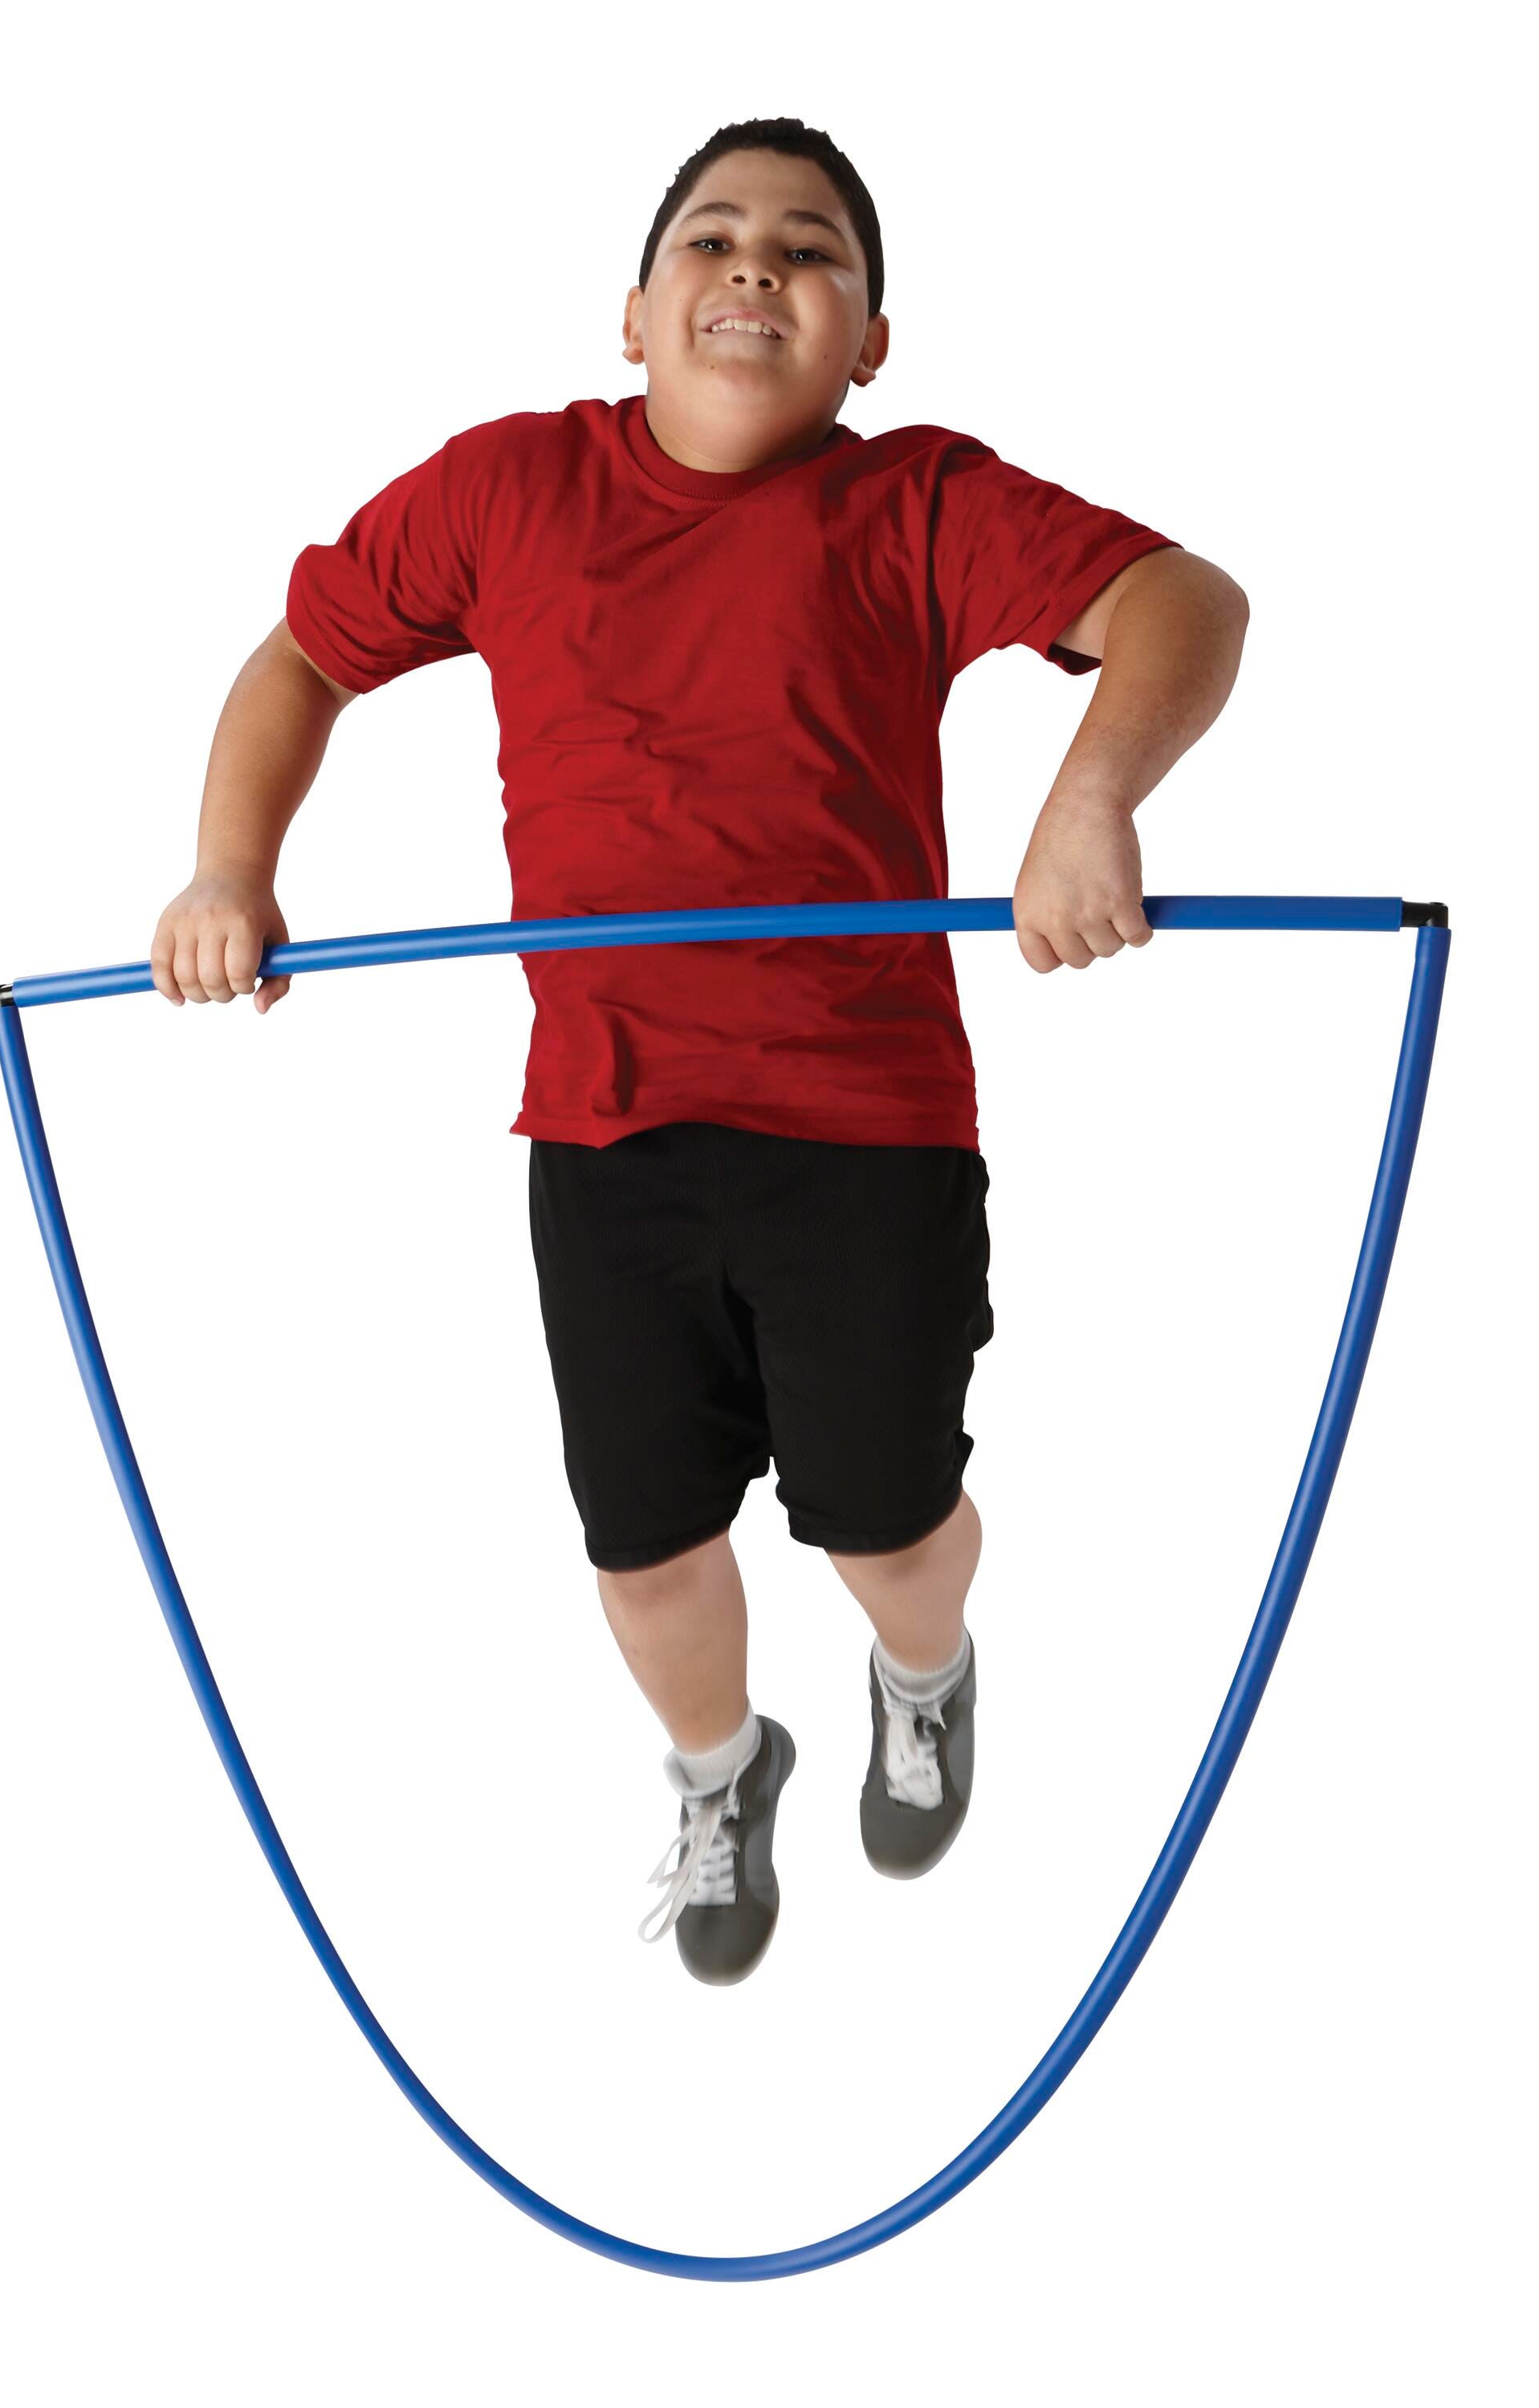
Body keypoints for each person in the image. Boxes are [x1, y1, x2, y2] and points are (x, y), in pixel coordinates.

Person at [149, 116, 1249, 1987]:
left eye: (812, 249)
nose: (758, 265)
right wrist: (229, 871)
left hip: (865, 1128)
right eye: (714, 238)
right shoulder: (507, 489)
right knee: (644, 1549)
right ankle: (723, 1772)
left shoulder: (914, 500)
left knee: (884, 1527)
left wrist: (1089, 805)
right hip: (607, 1131)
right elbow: (304, 660)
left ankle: (923, 1674)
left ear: (867, 342)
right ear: (634, 313)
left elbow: (1183, 600)